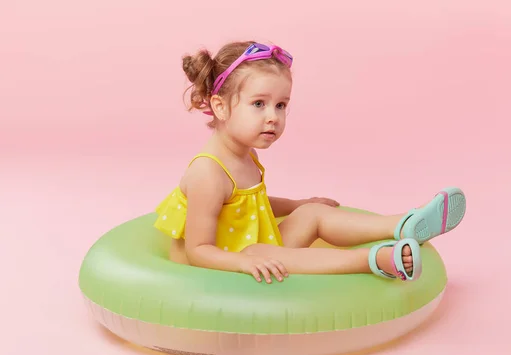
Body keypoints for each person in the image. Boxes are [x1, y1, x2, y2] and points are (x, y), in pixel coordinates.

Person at [154, 40, 467, 284]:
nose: (272, 117)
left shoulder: (244, 153)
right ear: (220, 107)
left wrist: (296, 205)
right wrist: (243, 262)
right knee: (258, 251)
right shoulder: (208, 172)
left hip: (250, 246)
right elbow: (198, 251)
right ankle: (373, 260)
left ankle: (404, 224)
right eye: (259, 104)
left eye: (281, 105)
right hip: (218, 265)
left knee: (313, 214)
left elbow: (244, 206)